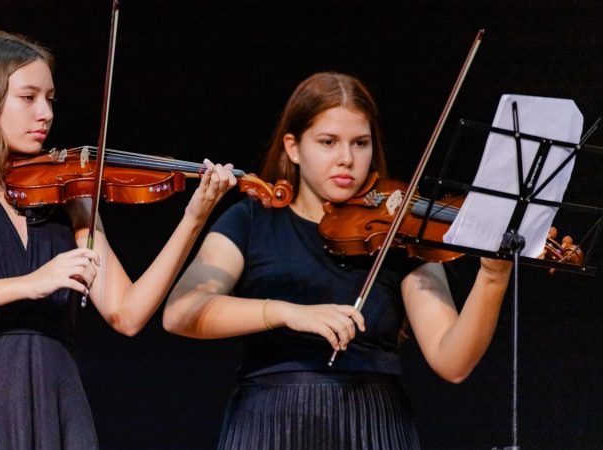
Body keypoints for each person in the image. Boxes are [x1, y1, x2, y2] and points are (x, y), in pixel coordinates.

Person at [0, 31, 236, 449]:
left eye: (50, 98)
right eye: (28, 98)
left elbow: (128, 313)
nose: (45, 113)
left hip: (60, 401)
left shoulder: (69, 202)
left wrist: (194, 218)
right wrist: (29, 284)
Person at [163, 72, 513, 449]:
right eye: (328, 142)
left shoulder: (397, 231)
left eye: (360, 144)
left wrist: (493, 278)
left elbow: (453, 361)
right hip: (269, 424)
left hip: (373, 427)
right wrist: (286, 311)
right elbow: (181, 312)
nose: (346, 159)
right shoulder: (252, 220)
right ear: (293, 148)